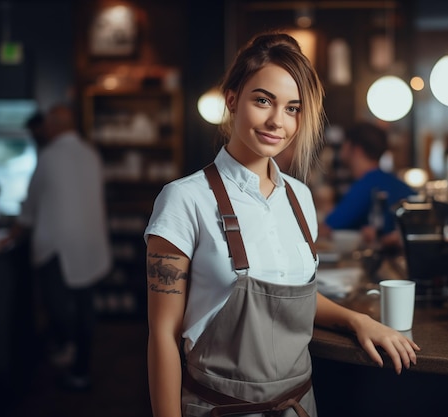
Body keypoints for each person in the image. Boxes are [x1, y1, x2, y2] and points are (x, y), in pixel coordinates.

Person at [144, 31, 419, 417]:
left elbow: (293, 295)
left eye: (293, 108)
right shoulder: (183, 200)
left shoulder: (299, 197)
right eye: (263, 101)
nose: (277, 121)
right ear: (232, 99)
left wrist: (357, 321)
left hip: (299, 407)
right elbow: (162, 335)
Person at [9, 103, 112, 391]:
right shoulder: (91, 154)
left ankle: (67, 351)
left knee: (58, 307)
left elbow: (31, 206)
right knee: (84, 307)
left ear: (53, 125)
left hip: (58, 245)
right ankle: (80, 367)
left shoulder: (50, 156)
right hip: (90, 243)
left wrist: (13, 233)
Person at [323, 122, 416, 249]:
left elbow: (326, 229)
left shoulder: (367, 184)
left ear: (355, 148)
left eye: (344, 144)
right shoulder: (394, 182)